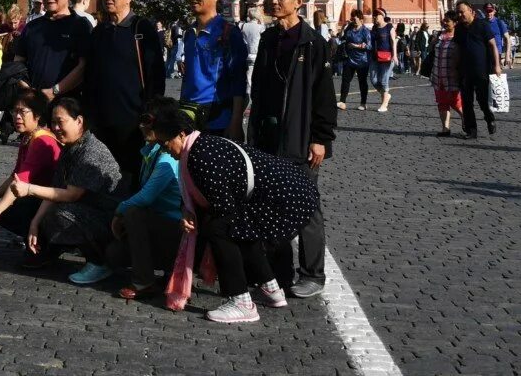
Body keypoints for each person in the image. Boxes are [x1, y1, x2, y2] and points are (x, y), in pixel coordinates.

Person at [246, 0, 336, 299]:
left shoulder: (313, 44)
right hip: (268, 137)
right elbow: (259, 89)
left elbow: (324, 97)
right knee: (270, 204)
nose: (272, 0)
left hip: (300, 139)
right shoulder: (269, 39)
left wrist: (321, 139)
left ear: (299, 1)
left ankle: (313, 273)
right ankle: (279, 272)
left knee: (306, 207)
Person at [178, 131, 320, 323]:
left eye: (164, 143)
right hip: (292, 188)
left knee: (220, 228)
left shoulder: (201, 153)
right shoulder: (203, 144)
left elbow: (224, 213)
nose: (165, 150)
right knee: (241, 226)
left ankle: (241, 302)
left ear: (180, 134)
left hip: (289, 195)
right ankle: (271, 289)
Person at [61, 0, 166, 176]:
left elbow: (156, 75)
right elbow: (90, 74)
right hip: (101, 122)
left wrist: (151, 113)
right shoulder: (100, 31)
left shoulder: (142, 28)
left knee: (132, 174)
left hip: (133, 122)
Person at [18, 97, 122, 283]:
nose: (55, 128)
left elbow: (71, 194)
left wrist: (29, 189)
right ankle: (51, 248)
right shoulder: (70, 147)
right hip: (83, 209)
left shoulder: (91, 151)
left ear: (79, 121)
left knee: (59, 214)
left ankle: (98, 262)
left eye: (60, 122)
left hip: (108, 219)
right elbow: (56, 188)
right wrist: (35, 223)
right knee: (27, 210)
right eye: (53, 122)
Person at [110, 97, 187, 302]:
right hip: (160, 223)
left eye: (148, 120)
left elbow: (145, 197)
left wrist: (119, 212)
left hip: (177, 230)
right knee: (113, 252)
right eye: (141, 120)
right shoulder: (152, 150)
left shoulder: (167, 157)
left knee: (132, 212)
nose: (142, 126)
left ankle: (144, 282)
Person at [176, 0, 248, 140]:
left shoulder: (229, 33)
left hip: (217, 118)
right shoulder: (189, 33)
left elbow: (238, 82)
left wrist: (236, 122)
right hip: (189, 116)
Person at [0, 89, 60, 244]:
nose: (17, 116)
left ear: (37, 115)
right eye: (14, 111)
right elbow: (16, 174)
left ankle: (43, 242)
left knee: (6, 214)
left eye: (22, 112)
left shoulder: (41, 141)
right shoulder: (28, 137)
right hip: (37, 196)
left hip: (51, 201)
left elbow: (20, 180)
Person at [454, 2, 500, 139]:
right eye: (458, 13)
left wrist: (497, 65)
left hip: (482, 70)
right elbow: (457, 49)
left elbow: (493, 45)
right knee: (467, 102)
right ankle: (471, 130)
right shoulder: (459, 29)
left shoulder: (482, 25)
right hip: (465, 71)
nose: (460, 15)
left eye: (462, 12)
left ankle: (489, 117)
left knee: (482, 100)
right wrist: (455, 67)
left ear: (471, 11)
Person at [420, 12, 463, 136]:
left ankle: (466, 120)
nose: (444, 22)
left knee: (455, 101)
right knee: (442, 101)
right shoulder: (439, 35)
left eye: (447, 21)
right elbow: (432, 51)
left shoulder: (459, 37)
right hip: (438, 74)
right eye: (444, 20)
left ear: (455, 23)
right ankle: (445, 128)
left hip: (453, 75)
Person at [337, 10, 371, 110]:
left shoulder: (365, 31)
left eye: (355, 19)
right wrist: (343, 27)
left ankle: (363, 103)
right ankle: (342, 102)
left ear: (361, 20)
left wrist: (356, 46)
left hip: (362, 61)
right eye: (352, 18)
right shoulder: (350, 29)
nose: (354, 21)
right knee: (345, 80)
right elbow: (342, 39)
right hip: (349, 59)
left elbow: (369, 46)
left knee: (362, 82)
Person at [369, 9, 396, 113]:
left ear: (382, 15)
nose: (374, 17)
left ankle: (384, 104)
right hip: (375, 56)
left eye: (376, 15)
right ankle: (386, 95)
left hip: (387, 57)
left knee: (384, 80)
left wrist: (395, 55)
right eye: (373, 15)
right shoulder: (374, 28)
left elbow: (393, 41)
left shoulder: (389, 27)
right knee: (374, 80)